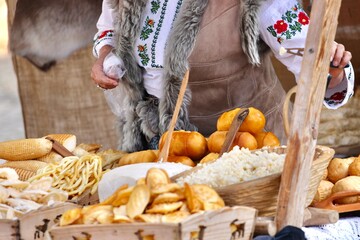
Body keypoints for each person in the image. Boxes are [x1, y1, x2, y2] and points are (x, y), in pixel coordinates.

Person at [91, 0, 354, 152]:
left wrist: (331, 70)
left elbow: (307, 57)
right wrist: (105, 56)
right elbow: (109, 28)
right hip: (159, 149)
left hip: (245, 153)